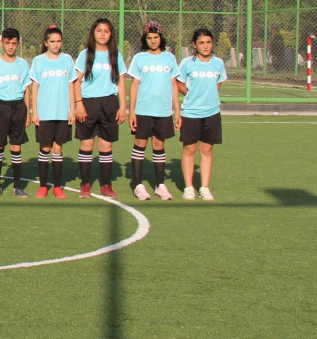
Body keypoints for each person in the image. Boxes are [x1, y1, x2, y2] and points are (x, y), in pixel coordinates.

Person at [126, 20, 181, 201]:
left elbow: (174, 85)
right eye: (149, 37)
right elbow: (134, 85)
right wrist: (131, 111)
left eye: (156, 37)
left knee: (159, 145)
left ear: (161, 38)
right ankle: (138, 184)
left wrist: (177, 111)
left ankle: (160, 185)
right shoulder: (139, 58)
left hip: (163, 111)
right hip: (143, 110)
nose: (153, 40)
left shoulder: (169, 58)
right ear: (145, 39)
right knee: (140, 144)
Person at [73, 18, 127, 198]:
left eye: (106, 31)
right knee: (87, 144)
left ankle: (106, 184)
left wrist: (122, 106)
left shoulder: (116, 55)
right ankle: (85, 184)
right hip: (88, 103)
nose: (102, 34)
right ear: (93, 33)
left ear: (111, 34)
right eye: (99, 30)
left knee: (106, 145)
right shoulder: (85, 54)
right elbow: (76, 81)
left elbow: (121, 82)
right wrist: (79, 104)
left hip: (109, 103)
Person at [177, 28, 227, 201]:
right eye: (201, 43)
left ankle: (204, 187)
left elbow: (217, 83)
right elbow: (179, 83)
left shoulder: (218, 63)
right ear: (195, 45)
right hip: (191, 112)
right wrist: (192, 95)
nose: (205, 46)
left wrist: (207, 96)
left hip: (212, 112)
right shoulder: (187, 63)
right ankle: (188, 187)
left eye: (208, 42)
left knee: (207, 150)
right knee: (189, 149)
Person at [0, 27, 32, 197]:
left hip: (18, 108)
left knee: (16, 146)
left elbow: (27, 90)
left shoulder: (23, 64)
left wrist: (28, 113)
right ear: (2, 43)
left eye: (14, 43)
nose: (10, 46)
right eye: (7, 43)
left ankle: (17, 186)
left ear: (18, 44)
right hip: (0, 108)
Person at [29, 25, 77, 198]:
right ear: (46, 42)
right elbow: (35, 87)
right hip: (44, 113)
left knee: (57, 149)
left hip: (62, 112)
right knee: (45, 148)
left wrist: (72, 110)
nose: (56, 44)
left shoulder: (67, 59)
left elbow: (71, 85)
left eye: (58, 41)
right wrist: (34, 112)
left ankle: (57, 187)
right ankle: (43, 187)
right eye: (52, 41)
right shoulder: (38, 61)